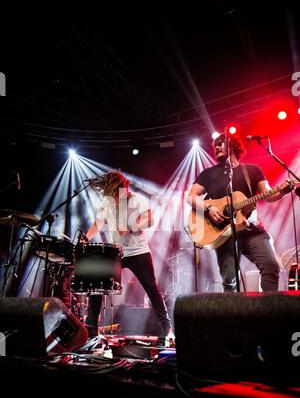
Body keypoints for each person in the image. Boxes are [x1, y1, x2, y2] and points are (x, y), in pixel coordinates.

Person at [187, 133, 293, 292]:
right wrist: (209, 208)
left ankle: (268, 312)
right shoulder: (208, 174)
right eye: (215, 145)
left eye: (221, 143)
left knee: (271, 266)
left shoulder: (252, 170)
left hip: (252, 229)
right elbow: (191, 198)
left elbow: (268, 195)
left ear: (233, 146)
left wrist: (284, 191)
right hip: (224, 234)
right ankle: (233, 315)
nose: (216, 147)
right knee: (229, 279)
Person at [83, 171, 174, 340]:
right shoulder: (106, 202)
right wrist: (85, 238)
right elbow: (97, 223)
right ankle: (91, 329)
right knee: (97, 285)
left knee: (151, 287)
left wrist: (132, 226)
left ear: (124, 188)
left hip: (138, 251)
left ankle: (165, 326)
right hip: (116, 252)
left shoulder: (137, 199)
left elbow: (151, 219)